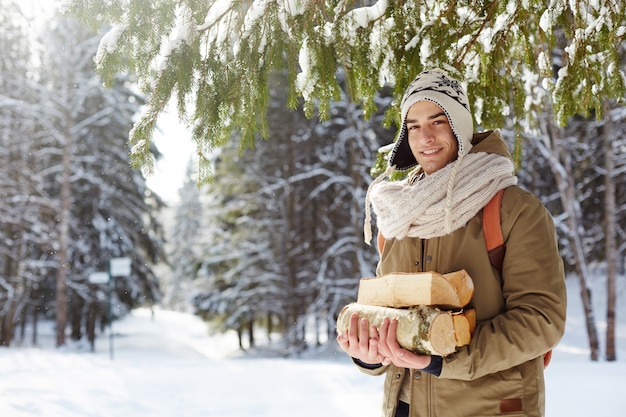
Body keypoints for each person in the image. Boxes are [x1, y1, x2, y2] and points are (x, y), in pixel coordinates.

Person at [336, 69, 567, 417]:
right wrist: (369, 355)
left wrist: (443, 360)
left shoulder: (512, 209)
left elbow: (541, 320)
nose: (424, 137)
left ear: (460, 124)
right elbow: (392, 317)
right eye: (413, 126)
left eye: (438, 121)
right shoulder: (401, 214)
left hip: (489, 408)